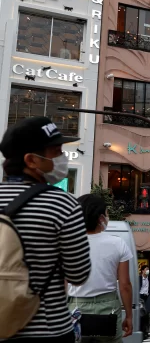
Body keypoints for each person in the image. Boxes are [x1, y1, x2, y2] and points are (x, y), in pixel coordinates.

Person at [0, 117, 91, 341]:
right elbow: (79, 274)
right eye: (56, 151)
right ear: (31, 160)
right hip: (48, 329)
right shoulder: (63, 204)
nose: (62, 158)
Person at [68, 195, 134, 343]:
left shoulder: (68, 243)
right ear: (100, 218)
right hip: (108, 308)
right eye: (106, 212)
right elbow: (125, 285)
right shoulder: (118, 244)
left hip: (75, 306)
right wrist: (129, 316)